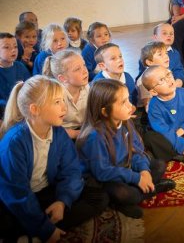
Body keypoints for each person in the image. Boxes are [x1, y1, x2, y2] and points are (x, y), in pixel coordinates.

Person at [0, 75, 108, 242]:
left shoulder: (58, 132)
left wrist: (62, 202)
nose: (64, 108)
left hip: (44, 191)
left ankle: (34, 228)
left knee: (99, 197)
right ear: (35, 109)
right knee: (6, 219)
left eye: (63, 101)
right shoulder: (14, 142)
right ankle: (41, 228)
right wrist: (45, 229)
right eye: (57, 102)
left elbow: (71, 170)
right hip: (17, 197)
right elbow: (16, 192)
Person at [77, 79, 175, 219]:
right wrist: (136, 178)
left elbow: (136, 150)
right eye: (123, 103)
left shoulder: (125, 121)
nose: (130, 106)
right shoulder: (95, 136)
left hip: (125, 168)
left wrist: (144, 172)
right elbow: (102, 172)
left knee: (159, 165)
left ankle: (139, 192)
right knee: (124, 194)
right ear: (105, 111)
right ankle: (148, 191)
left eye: (128, 99)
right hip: (105, 179)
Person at [42, 49, 89, 140]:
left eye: (84, 65)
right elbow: (50, 129)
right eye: (77, 69)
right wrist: (77, 134)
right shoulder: (56, 96)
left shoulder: (87, 87)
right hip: (61, 135)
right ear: (63, 78)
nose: (85, 71)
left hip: (83, 129)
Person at [137, 23, 184, 87]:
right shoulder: (148, 54)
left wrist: (179, 80)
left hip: (172, 84)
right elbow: (143, 78)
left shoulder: (175, 53)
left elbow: (179, 69)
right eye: (164, 33)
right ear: (155, 37)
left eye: (171, 33)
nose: (169, 35)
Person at [92, 43, 138, 107]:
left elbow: (133, 97)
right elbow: (99, 107)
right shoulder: (98, 84)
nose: (119, 60)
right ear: (102, 66)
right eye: (113, 58)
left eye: (120, 56)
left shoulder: (127, 77)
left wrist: (132, 107)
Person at [0, 33, 30, 119]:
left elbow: (29, 86)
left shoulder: (20, 66)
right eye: (7, 47)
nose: (13, 50)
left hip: (23, 108)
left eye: (15, 47)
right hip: (4, 113)